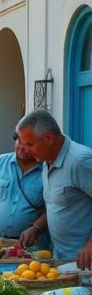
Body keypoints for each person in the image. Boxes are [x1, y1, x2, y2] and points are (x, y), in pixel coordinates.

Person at [15, 109, 92, 267]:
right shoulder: (45, 160)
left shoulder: (79, 161)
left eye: (30, 144)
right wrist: (36, 227)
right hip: (61, 260)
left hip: (85, 264)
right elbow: (57, 205)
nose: (26, 150)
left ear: (48, 138)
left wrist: (90, 245)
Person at [0, 132, 46, 245]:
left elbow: (53, 207)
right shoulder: (0, 162)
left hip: (30, 244)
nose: (23, 148)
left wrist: (36, 228)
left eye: (29, 144)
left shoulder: (47, 170)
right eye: (20, 142)